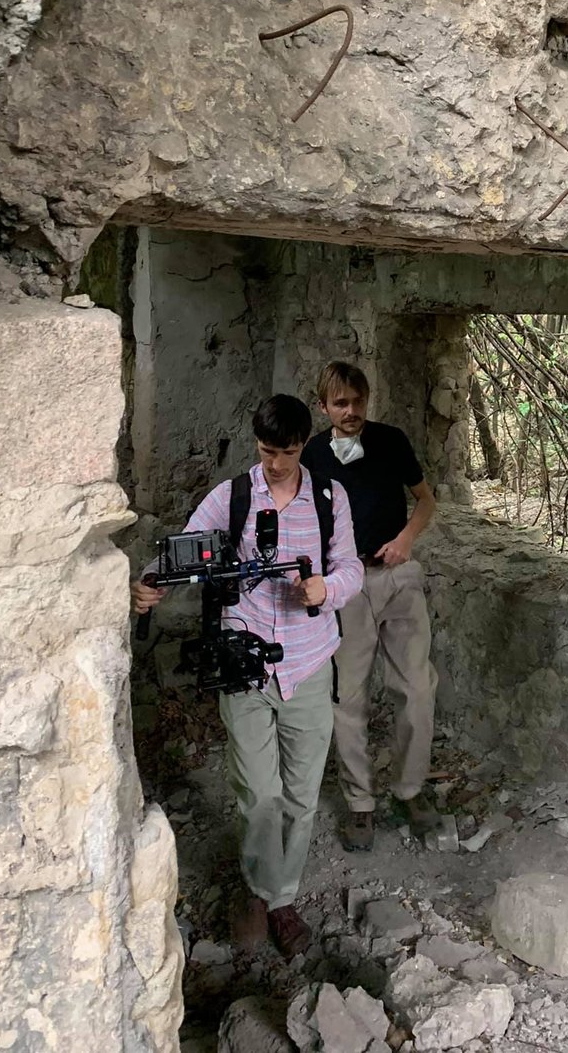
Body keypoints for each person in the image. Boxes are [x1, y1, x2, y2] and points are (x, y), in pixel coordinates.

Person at [130, 395, 363, 958]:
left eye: (285, 452)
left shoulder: (330, 499)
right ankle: (260, 890)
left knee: (302, 796)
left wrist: (325, 590)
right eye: (265, 451)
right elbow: (186, 549)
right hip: (246, 665)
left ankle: (280, 898)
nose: (275, 464)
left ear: (304, 443)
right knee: (260, 793)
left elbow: (351, 567)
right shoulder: (232, 497)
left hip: (309, 663)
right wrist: (150, 582)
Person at [302, 361, 439, 852]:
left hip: (397, 576)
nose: (352, 411)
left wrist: (406, 539)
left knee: (417, 689)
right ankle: (360, 802)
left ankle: (411, 789)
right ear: (324, 407)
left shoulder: (392, 440)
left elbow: (425, 500)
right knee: (348, 696)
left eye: (358, 401)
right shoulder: (314, 454)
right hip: (347, 583)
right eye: (341, 403)